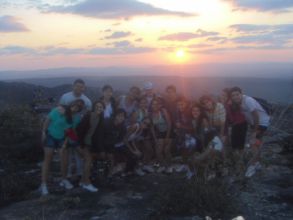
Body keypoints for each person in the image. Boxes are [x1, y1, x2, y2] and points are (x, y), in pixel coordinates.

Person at [40, 99, 84, 195]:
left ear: (80, 109)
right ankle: (43, 184)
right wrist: (43, 131)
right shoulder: (59, 110)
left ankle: (64, 179)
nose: (76, 107)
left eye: (79, 106)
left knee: (64, 160)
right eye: (75, 104)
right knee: (48, 159)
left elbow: (70, 131)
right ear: (71, 103)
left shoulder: (76, 118)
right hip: (51, 135)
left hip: (62, 138)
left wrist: (65, 143)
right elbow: (48, 119)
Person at [230, 87, 270, 177]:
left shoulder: (248, 100)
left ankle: (253, 165)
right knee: (257, 144)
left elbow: (256, 116)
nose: (236, 97)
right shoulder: (238, 103)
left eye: (237, 94)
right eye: (233, 95)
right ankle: (258, 163)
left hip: (262, 122)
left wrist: (254, 131)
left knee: (252, 143)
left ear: (241, 93)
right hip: (255, 124)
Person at [59, 79, 92, 179]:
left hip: (79, 129)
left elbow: (88, 116)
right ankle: (67, 174)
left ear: (84, 88)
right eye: (77, 86)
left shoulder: (87, 101)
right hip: (66, 128)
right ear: (73, 86)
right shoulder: (65, 97)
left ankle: (79, 173)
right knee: (67, 153)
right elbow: (60, 110)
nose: (79, 88)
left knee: (78, 153)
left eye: (81, 87)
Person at [75, 101, 105, 192]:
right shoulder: (89, 116)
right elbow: (79, 130)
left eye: (101, 107)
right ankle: (87, 183)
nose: (99, 108)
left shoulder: (100, 118)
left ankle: (82, 181)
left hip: (88, 143)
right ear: (93, 107)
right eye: (97, 106)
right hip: (80, 142)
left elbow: (98, 135)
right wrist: (79, 145)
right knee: (88, 160)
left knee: (87, 161)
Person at [150, 97, 172, 173]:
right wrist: (155, 138)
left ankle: (169, 166)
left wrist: (167, 137)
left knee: (166, 150)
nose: (155, 106)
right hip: (159, 133)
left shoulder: (163, 111)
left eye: (156, 104)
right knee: (158, 151)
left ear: (160, 105)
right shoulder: (151, 114)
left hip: (169, 132)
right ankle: (163, 165)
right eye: (153, 104)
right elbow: (152, 127)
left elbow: (169, 123)